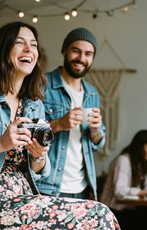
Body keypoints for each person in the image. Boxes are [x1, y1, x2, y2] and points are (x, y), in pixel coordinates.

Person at [0, 21, 120, 229]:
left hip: (25, 199)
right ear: (3, 50)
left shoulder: (33, 105)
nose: (29, 49)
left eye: (33, 45)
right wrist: (0, 143)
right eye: (20, 43)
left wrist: (39, 155)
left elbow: (40, 169)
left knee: (101, 214)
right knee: (98, 215)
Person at [37, 27, 106, 200]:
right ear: (64, 51)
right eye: (76, 51)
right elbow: (24, 132)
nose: (81, 58)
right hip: (46, 185)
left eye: (88, 54)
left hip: (82, 187)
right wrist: (58, 124)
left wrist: (96, 131)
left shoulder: (92, 93)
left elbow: (97, 143)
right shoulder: (41, 84)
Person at [100, 129, 147, 229]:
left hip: (129, 209)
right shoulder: (123, 161)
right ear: (139, 147)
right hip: (113, 211)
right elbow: (119, 191)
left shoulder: (141, 163)